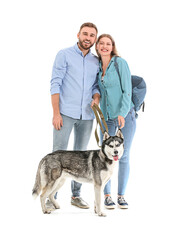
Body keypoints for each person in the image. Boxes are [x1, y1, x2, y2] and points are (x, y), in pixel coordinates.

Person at [50, 23, 100, 209]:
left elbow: (95, 86)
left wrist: (96, 97)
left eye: (92, 35)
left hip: (87, 116)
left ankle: (76, 196)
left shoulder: (95, 61)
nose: (88, 38)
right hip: (65, 113)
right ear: (78, 34)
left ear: (95, 39)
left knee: (82, 157)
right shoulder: (64, 54)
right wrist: (56, 113)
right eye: (85, 34)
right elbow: (55, 84)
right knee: (58, 154)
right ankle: (51, 195)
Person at [95, 34, 136, 209]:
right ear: (97, 46)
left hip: (124, 115)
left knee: (123, 155)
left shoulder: (120, 63)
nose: (105, 46)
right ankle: (107, 195)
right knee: (105, 155)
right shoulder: (96, 66)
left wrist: (122, 112)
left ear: (112, 47)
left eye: (108, 44)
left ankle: (121, 196)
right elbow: (97, 87)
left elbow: (127, 90)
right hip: (106, 117)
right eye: (101, 43)